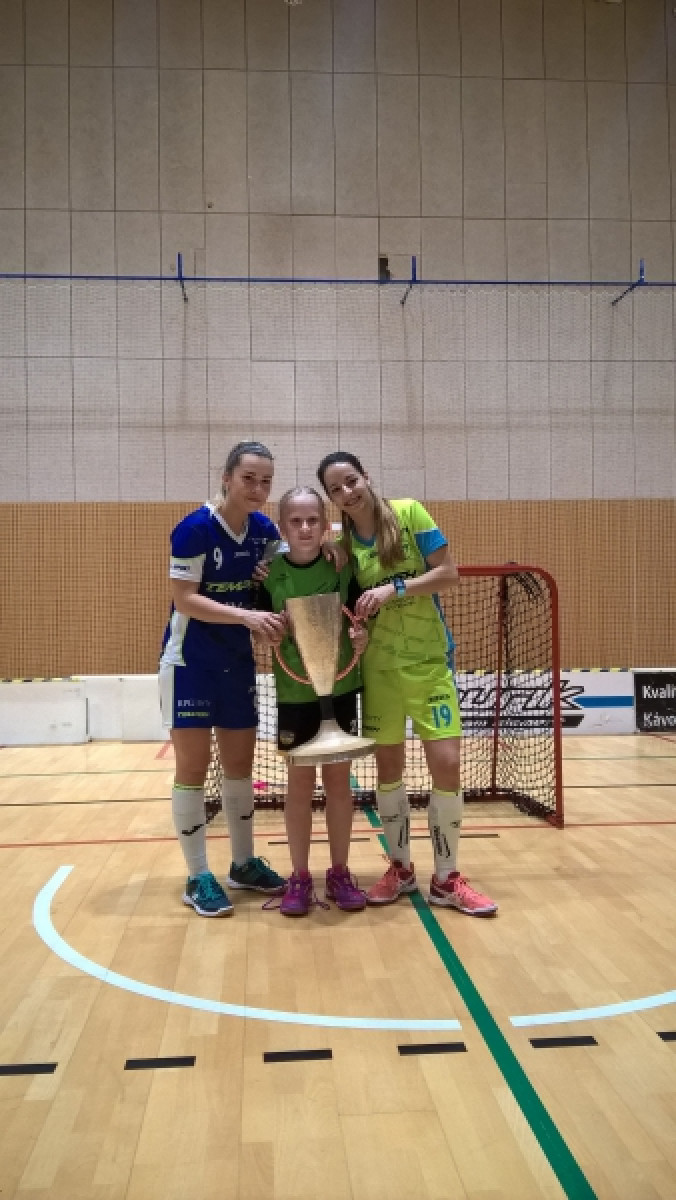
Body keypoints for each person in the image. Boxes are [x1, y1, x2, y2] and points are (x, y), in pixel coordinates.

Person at [316, 452, 498, 916]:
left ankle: (447, 878)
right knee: (388, 772)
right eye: (335, 489)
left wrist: (394, 588)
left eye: (351, 481)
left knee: (447, 764)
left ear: (366, 477)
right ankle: (400, 869)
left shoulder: (410, 513)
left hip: (429, 662)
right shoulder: (342, 546)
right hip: (378, 670)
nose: (347, 493)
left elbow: (448, 573)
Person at [159, 441, 289, 917]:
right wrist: (247, 616)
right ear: (227, 477)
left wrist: (274, 577)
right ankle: (197, 876)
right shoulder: (194, 529)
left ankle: (243, 864)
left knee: (239, 767)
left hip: (237, 663)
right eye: (248, 478)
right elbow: (186, 599)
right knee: (192, 769)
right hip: (190, 663)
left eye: (265, 481)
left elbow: (286, 573)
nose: (257, 488)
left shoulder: (265, 531)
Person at [257, 486, 368, 917]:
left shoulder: (342, 568)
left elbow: (358, 620)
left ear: (325, 526)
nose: (305, 528)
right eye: (295, 521)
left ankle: (339, 872)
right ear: (282, 527)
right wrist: (270, 633)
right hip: (295, 695)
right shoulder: (268, 576)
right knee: (299, 785)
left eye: (313, 520)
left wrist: (360, 637)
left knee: (339, 783)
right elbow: (260, 629)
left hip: (341, 690)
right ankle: (300, 876)